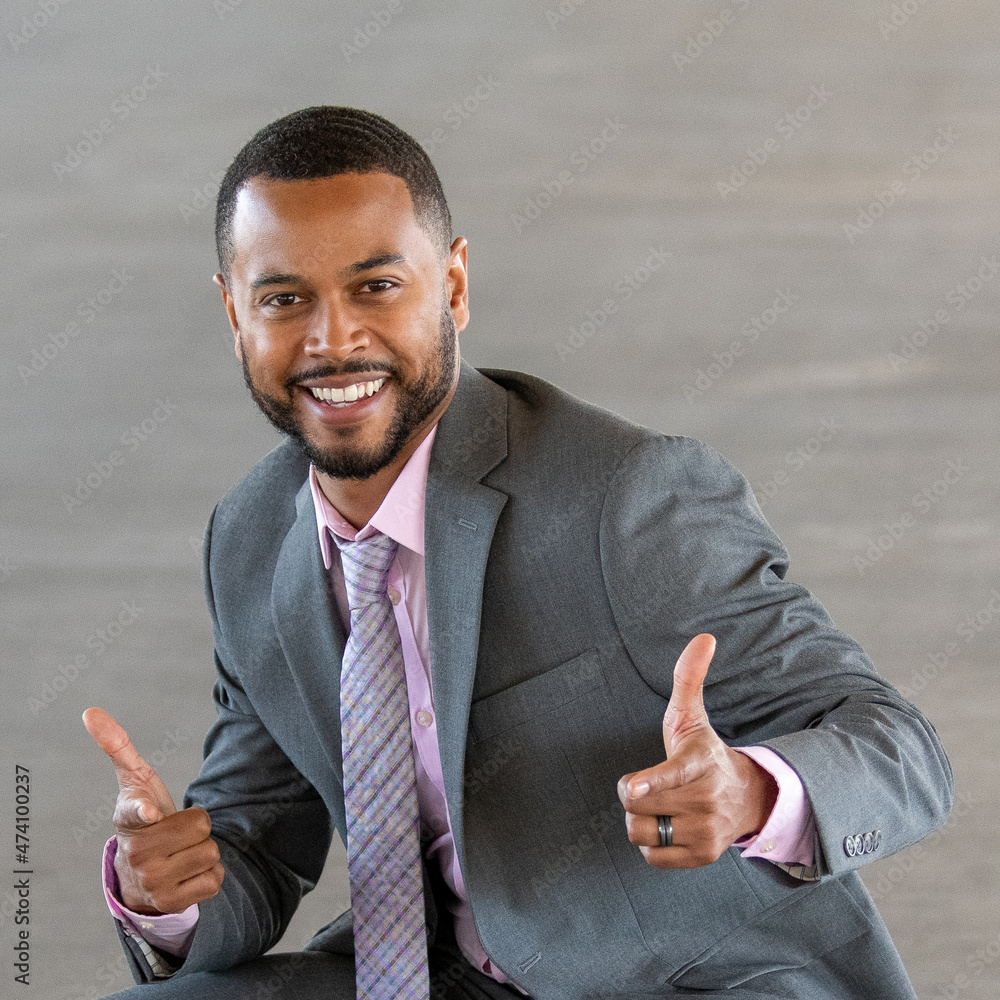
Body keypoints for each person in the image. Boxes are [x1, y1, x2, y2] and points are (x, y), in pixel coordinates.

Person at [83, 106, 953, 1000]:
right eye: (283, 298)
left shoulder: (623, 499)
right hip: (431, 974)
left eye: (376, 287)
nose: (332, 338)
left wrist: (752, 794)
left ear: (453, 285)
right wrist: (165, 896)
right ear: (235, 313)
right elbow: (253, 848)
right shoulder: (250, 537)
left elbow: (903, 753)